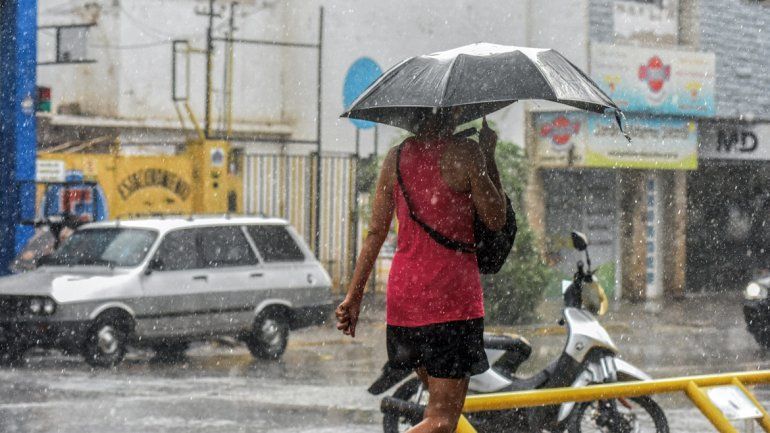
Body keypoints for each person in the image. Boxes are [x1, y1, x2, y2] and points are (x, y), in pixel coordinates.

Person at [336, 111, 506, 433]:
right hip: (450, 304)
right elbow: (496, 218)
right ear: (455, 112)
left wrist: (353, 296)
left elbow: (375, 232)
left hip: (404, 306)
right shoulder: (466, 155)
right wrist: (488, 158)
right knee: (442, 421)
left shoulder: (395, 158)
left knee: (434, 411)